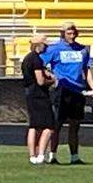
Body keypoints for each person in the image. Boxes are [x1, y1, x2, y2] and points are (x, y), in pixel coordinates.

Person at [43, 22, 93, 165]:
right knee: (57, 124)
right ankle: (52, 155)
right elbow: (40, 65)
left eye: (73, 33)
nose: (71, 35)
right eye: (68, 33)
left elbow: (86, 69)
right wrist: (52, 77)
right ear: (62, 34)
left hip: (78, 90)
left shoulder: (82, 50)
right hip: (62, 90)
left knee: (75, 125)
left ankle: (74, 156)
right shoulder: (54, 49)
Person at [21, 33, 56, 165]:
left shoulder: (27, 59)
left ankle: (32, 155)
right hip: (39, 95)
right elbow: (40, 81)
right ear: (39, 45)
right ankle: (41, 154)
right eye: (45, 44)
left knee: (34, 125)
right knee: (49, 126)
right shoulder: (36, 59)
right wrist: (52, 80)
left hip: (30, 94)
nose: (46, 47)